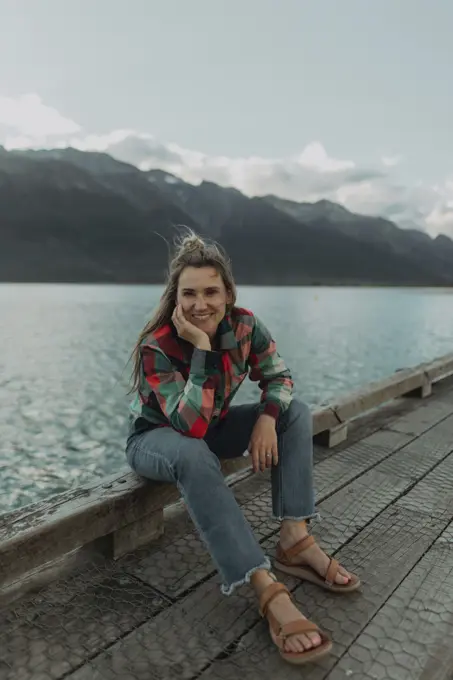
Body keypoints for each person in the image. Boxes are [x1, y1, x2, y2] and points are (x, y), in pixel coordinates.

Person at [125, 231, 360, 666]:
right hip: (157, 439)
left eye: (211, 291)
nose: (201, 304)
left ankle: (294, 538)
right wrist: (200, 349)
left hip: (208, 428)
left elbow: (281, 378)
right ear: (175, 298)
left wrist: (267, 418)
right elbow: (189, 427)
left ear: (228, 293)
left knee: (294, 412)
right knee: (195, 453)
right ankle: (262, 584)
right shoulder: (157, 346)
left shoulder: (245, 326)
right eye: (189, 293)